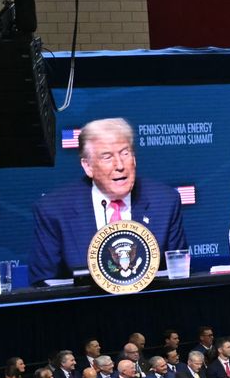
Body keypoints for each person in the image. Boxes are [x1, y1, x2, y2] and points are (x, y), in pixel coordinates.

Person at [29, 117, 191, 283]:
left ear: (134, 159)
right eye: (107, 157)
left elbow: (179, 275)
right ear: (88, 166)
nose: (119, 165)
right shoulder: (53, 210)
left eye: (125, 153)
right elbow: (44, 284)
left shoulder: (165, 201)